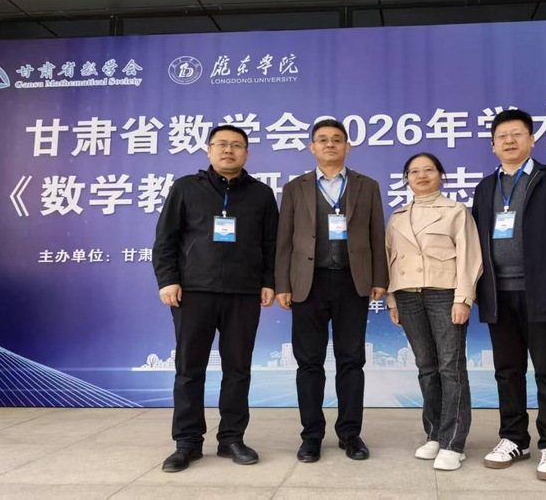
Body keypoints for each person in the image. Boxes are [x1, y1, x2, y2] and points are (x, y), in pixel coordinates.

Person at [471, 109, 546, 482]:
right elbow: (475, 242)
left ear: (532, 139)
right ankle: (514, 438)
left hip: (545, 291)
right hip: (498, 294)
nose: (509, 141)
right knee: (507, 372)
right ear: (493, 146)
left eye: (517, 134)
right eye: (501, 136)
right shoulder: (485, 188)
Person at [152, 125, 278, 472]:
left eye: (237, 145)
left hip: (243, 293)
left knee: (238, 369)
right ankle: (187, 442)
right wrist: (168, 280)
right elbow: (165, 239)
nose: (228, 150)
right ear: (208, 150)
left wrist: (269, 282)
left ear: (246, 153)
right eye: (221, 144)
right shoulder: (186, 188)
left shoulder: (261, 194)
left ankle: (232, 439)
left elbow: (271, 243)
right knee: (189, 370)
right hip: (194, 292)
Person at [275, 119, 388, 463]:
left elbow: (377, 234)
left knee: (351, 361)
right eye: (322, 140)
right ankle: (311, 436)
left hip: (353, 282)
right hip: (307, 284)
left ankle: (350, 434)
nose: (329, 145)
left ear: (347, 146)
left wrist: (379, 278)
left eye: (337, 139)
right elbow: (284, 240)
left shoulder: (367, 186)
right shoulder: (294, 188)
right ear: (312, 147)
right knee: (308, 363)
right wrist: (282, 285)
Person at [386, 153, 482, 471]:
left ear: (441, 174)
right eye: (414, 171)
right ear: (406, 179)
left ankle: (454, 442)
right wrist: (392, 300)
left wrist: (463, 298)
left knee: (450, 368)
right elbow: (389, 259)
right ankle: (434, 434)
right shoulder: (397, 216)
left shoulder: (455, 211)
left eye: (429, 169)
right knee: (426, 367)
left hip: (445, 293)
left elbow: (470, 256)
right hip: (408, 295)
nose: (421, 175)